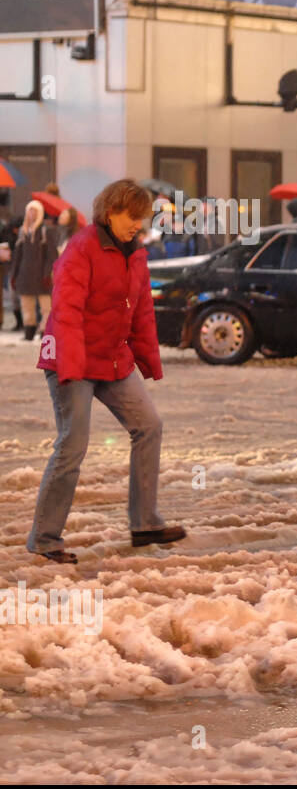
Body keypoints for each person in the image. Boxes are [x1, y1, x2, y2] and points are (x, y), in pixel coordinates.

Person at [28, 179, 187, 565]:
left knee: (149, 425)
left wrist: (148, 360)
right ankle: (44, 539)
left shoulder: (135, 254)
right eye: (132, 217)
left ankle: (145, 523)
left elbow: (142, 310)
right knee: (73, 444)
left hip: (113, 360)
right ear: (110, 212)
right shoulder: (81, 250)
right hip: (74, 359)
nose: (138, 224)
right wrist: (68, 367)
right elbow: (65, 313)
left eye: (142, 218)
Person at [10, 201, 58, 341]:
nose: (32, 214)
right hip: (24, 275)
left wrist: (47, 274)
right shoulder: (23, 231)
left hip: (41, 275)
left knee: (46, 307)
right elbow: (18, 255)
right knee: (26, 305)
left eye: (35, 211)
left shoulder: (45, 231)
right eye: (30, 211)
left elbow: (51, 256)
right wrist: (14, 275)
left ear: (40, 213)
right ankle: (29, 331)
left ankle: (45, 332)